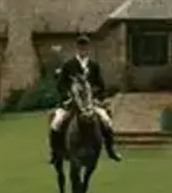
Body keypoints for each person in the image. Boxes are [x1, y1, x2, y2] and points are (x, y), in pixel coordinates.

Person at [49, 34, 123, 163]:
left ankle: (111, 150)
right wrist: (67, 95)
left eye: (85, 48)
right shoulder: (69, 65)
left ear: (88, 49)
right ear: (77, 49)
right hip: (71, 102)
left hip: (90, 103)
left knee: (106, 121)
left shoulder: (94, 66)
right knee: (56, 123)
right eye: (81, 48)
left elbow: (100, 85)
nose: (83, 51)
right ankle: (55, 152)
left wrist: (96, 97)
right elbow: (61, 84)